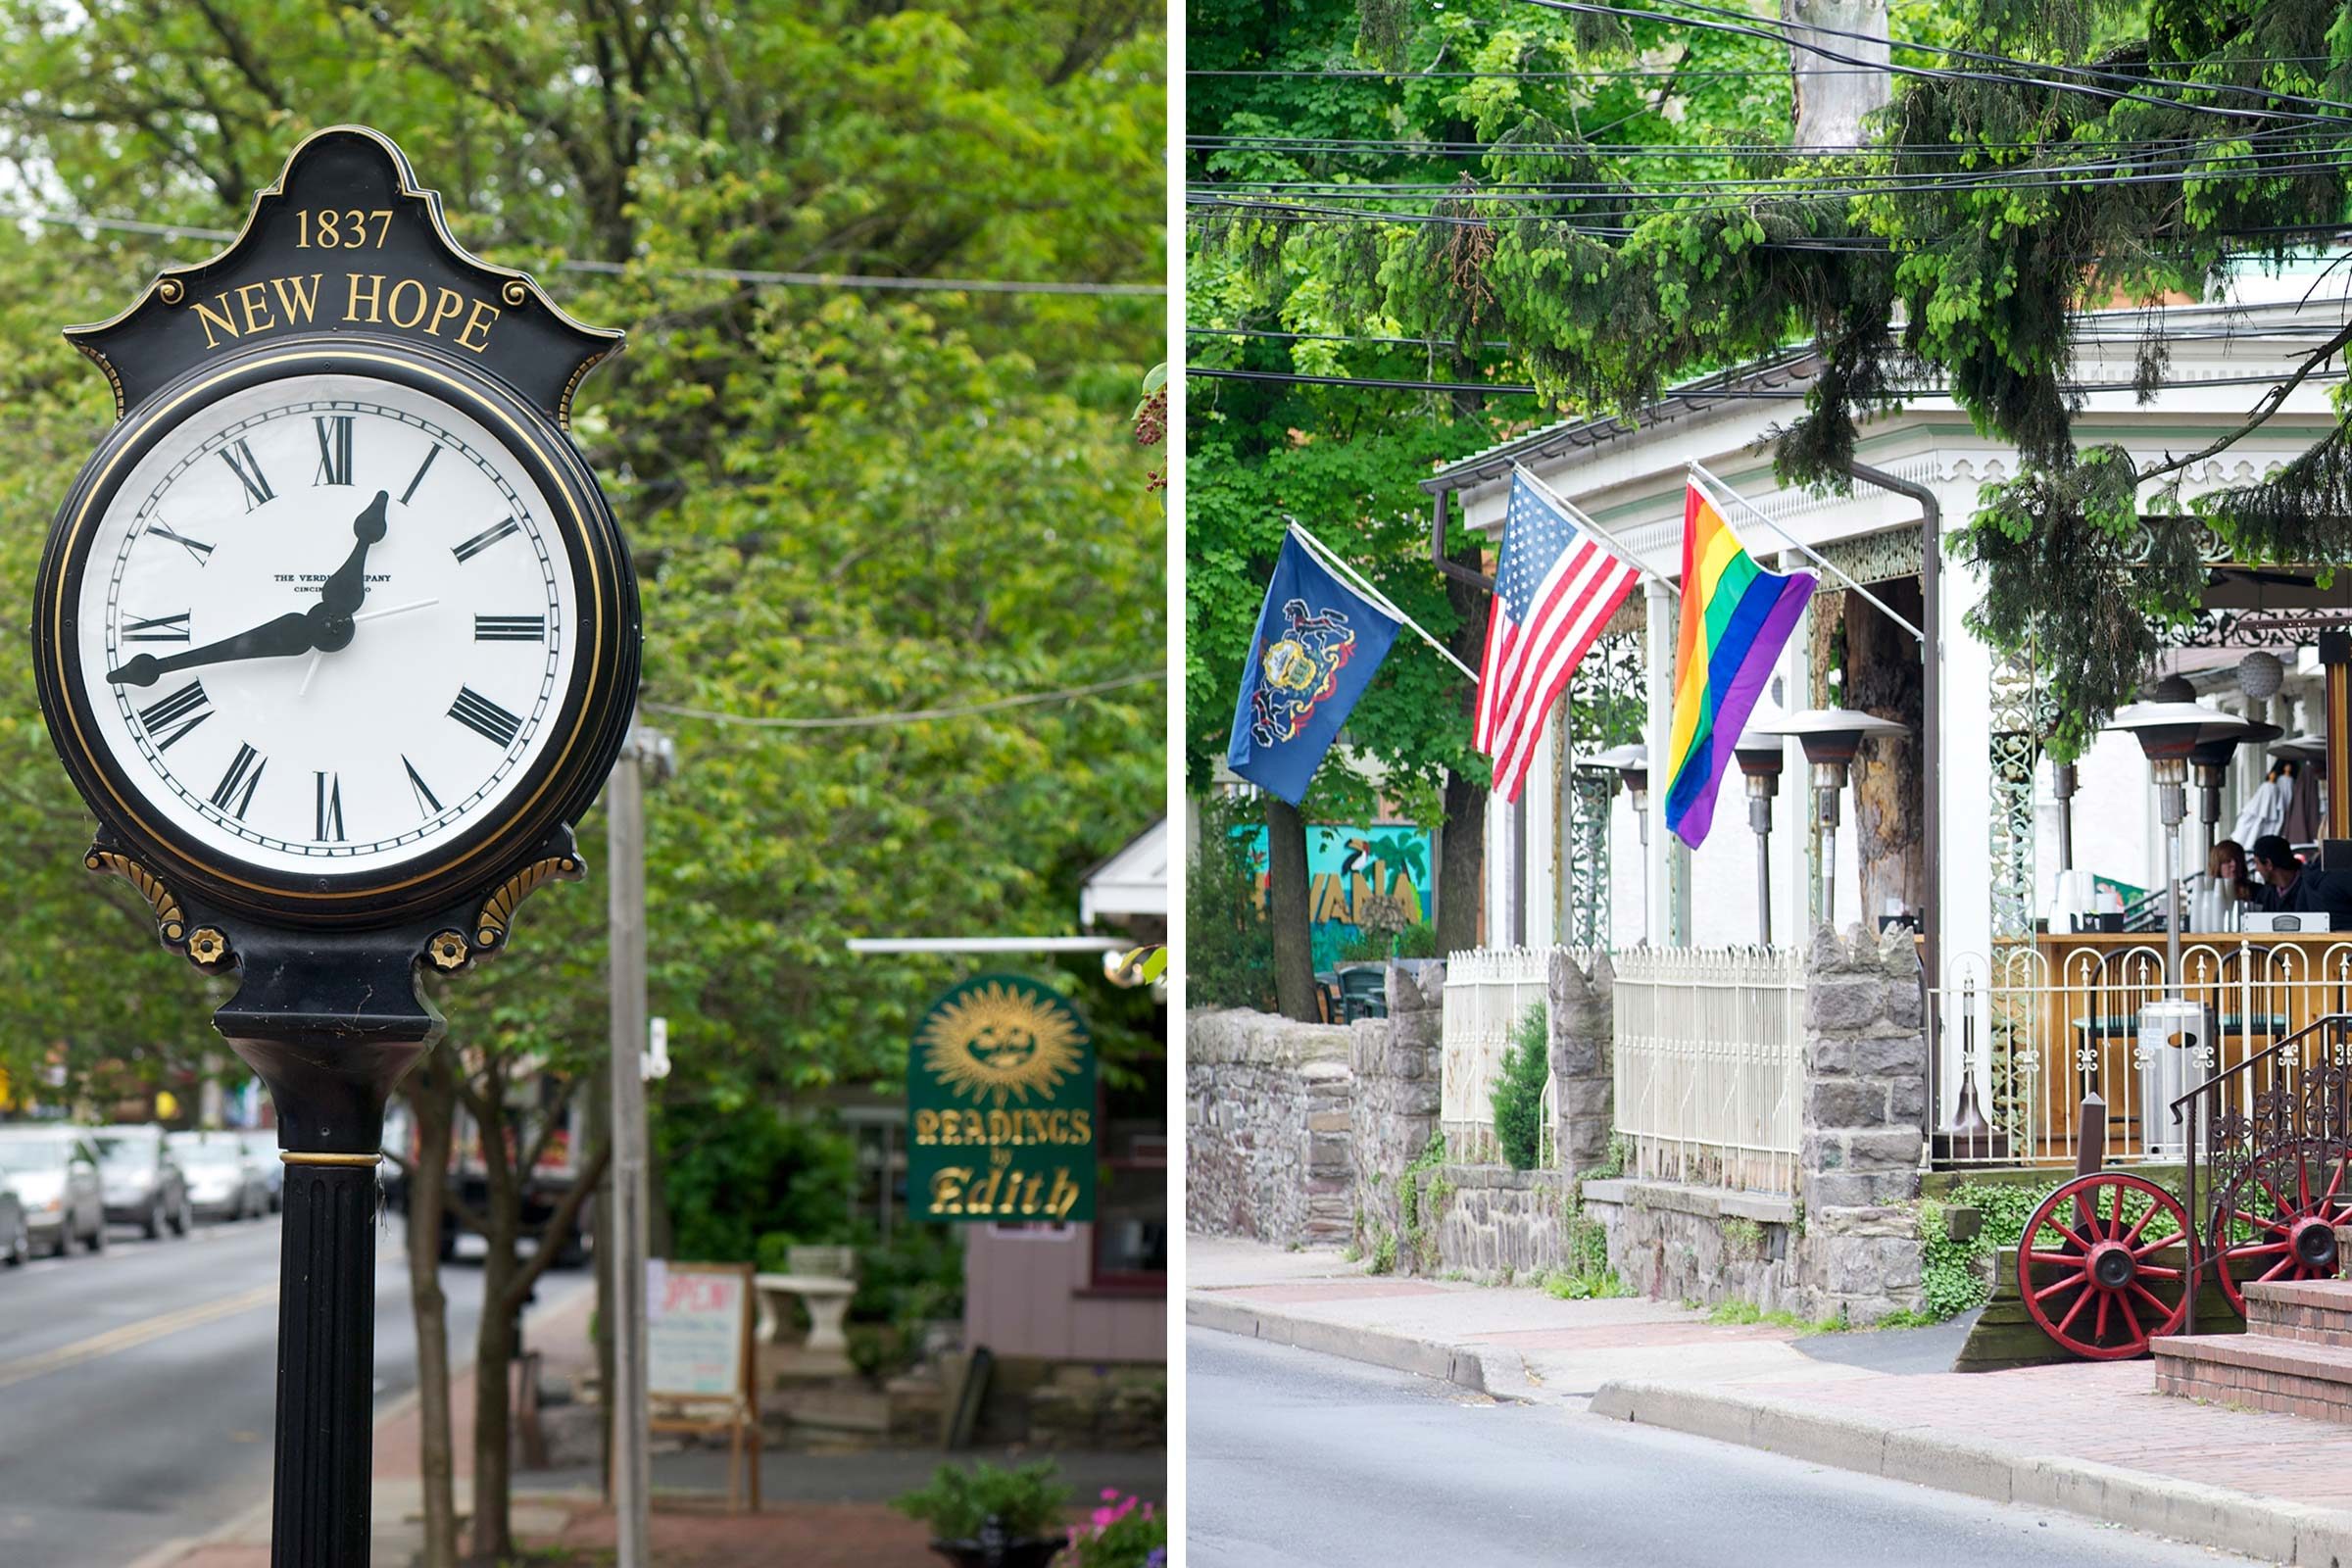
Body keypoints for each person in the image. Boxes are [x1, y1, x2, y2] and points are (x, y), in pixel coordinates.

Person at [2249, 835, 2352, 922]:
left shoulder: (2312, 886)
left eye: (2256, 863)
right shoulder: (2270, 893)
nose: (2257, 869)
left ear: (2268, 864)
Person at [2191, 839, 2251, 932]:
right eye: (2227, 861)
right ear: (2217, 864)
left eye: (2237, 860)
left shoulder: (2257, 891)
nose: (2233, 864)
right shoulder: (2207, 894)